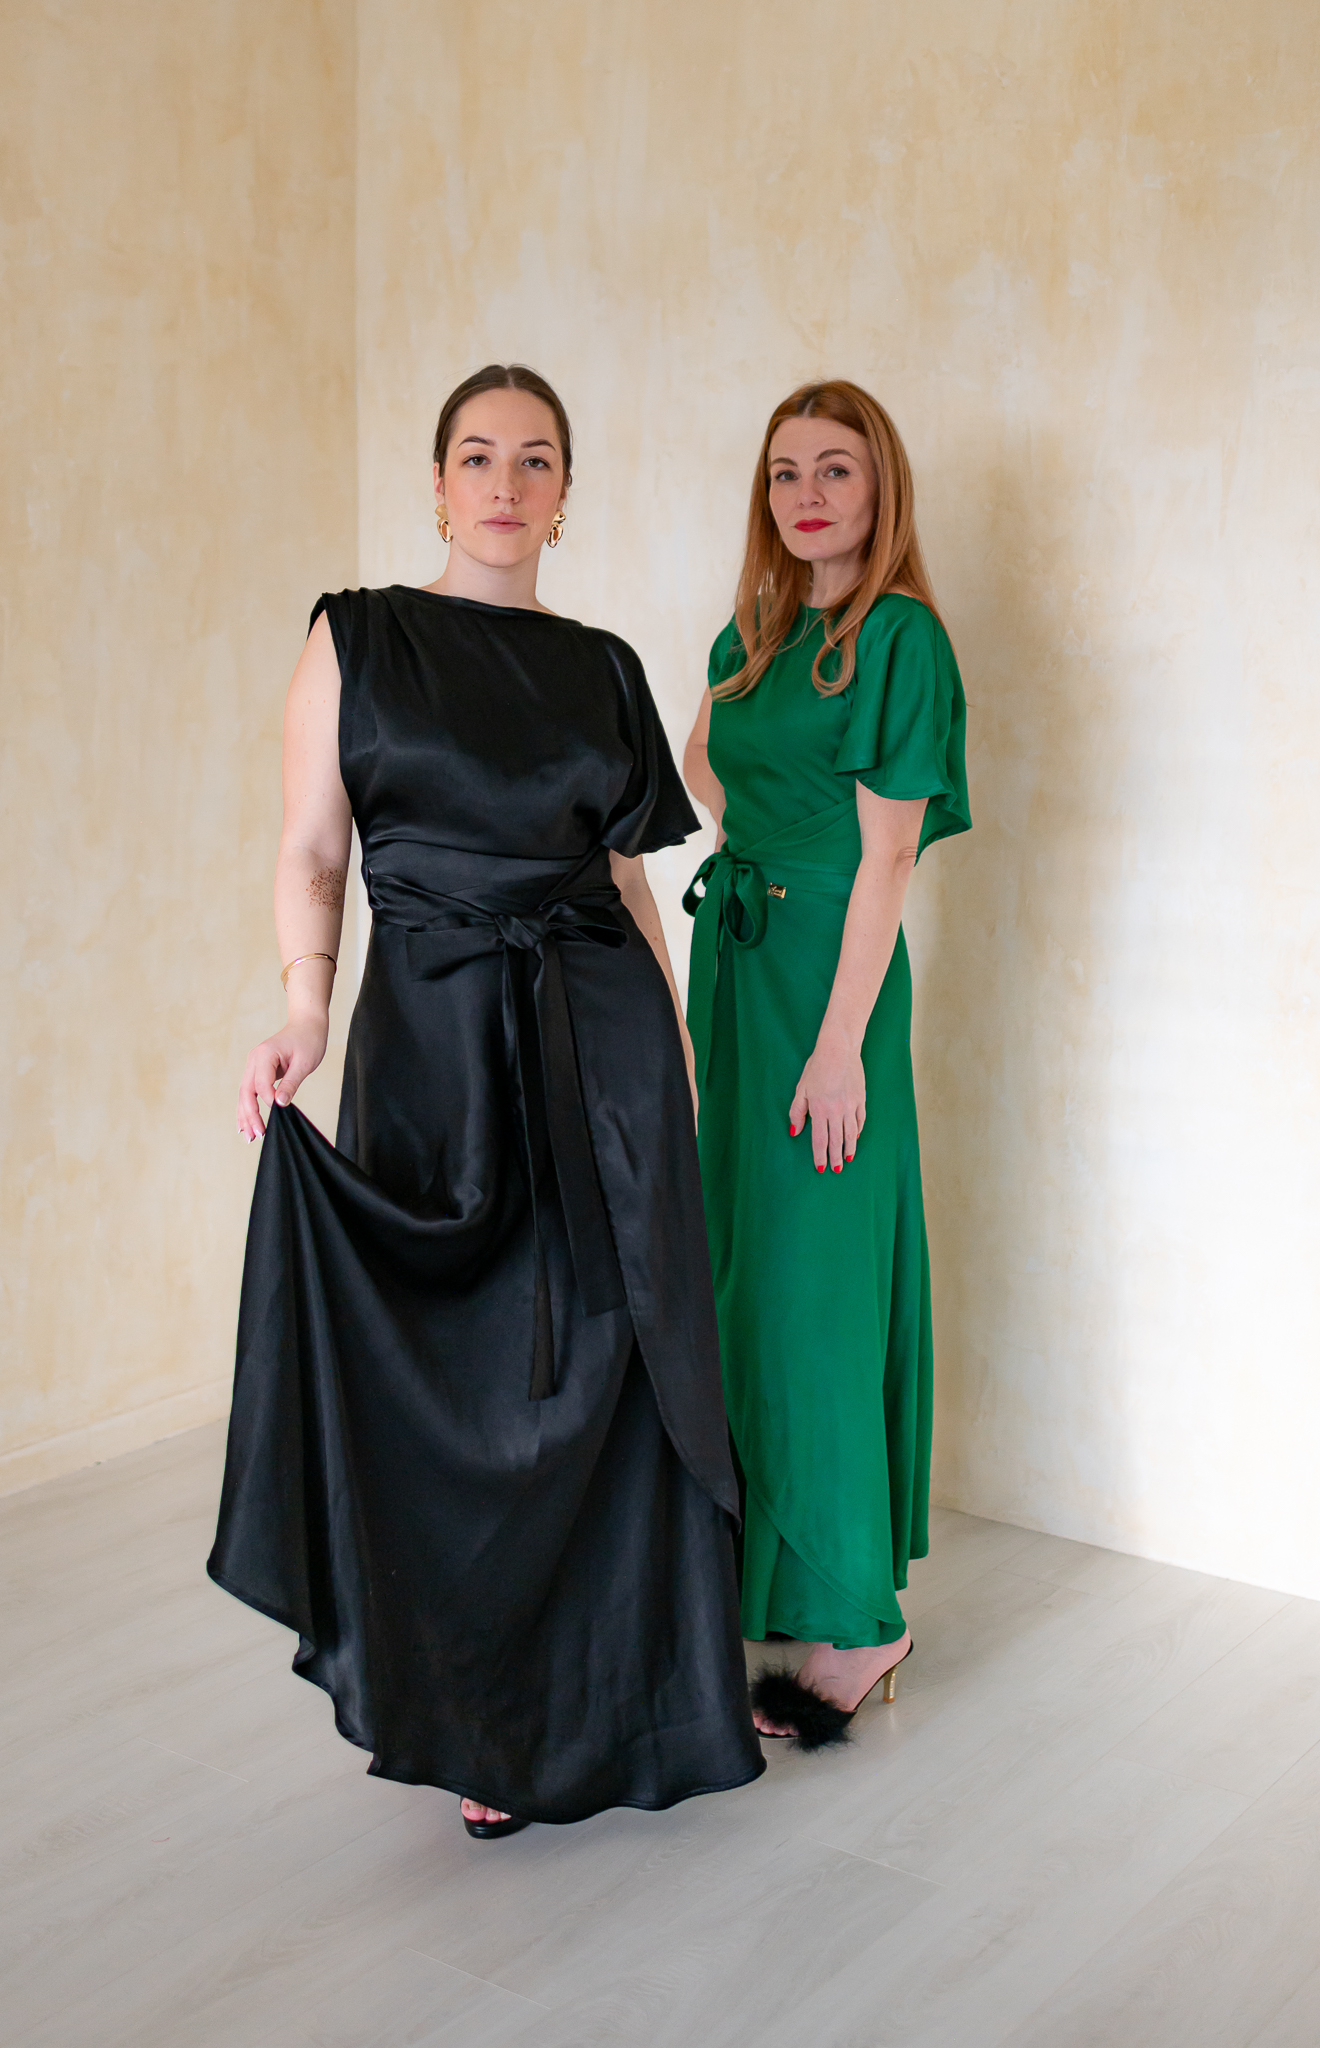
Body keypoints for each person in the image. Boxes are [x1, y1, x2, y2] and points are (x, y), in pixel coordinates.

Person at [210, 364, 763, 1837]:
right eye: (477, 455)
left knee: (606, 1355)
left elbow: (626, 879)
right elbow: (313, 849)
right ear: (438, 482)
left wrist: (673, 1051)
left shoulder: (602, 666)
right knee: (455, 1369)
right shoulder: (358, 636)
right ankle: (470, 1709)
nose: (504, 483)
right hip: (434, 1038)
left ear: (565, 494)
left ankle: (611, 1695)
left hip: (600, 1034)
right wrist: (304, 1009)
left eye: (534, 459)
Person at [682, 379, 970, 1749]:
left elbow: (890, 856)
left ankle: (858, 1615)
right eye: (785, 470)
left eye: (835, 469)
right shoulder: (751, 633)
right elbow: (702, 766)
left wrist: (841, 1042)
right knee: (743, 1278)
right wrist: (762, 847)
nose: (806, 493)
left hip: (826, 986)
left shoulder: (898, 637)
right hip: (739, 963)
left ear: (880, 487)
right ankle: (774, 1587)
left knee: (818, 1288)